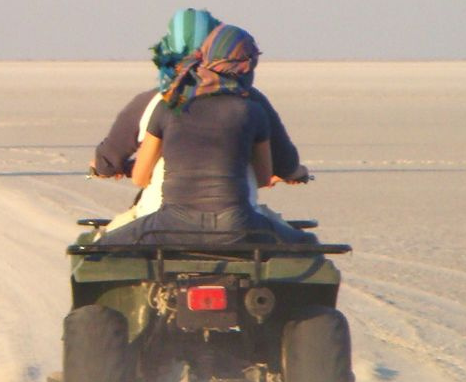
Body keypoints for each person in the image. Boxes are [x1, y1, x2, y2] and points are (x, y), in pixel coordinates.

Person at [100, 24, 313, 245]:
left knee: (102, 246)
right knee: (306, 244)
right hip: (237, 226)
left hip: (171, 226)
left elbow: (139, 177)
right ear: (246, 67)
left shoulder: (169, 105)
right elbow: (262, 178)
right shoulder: (252, 110)